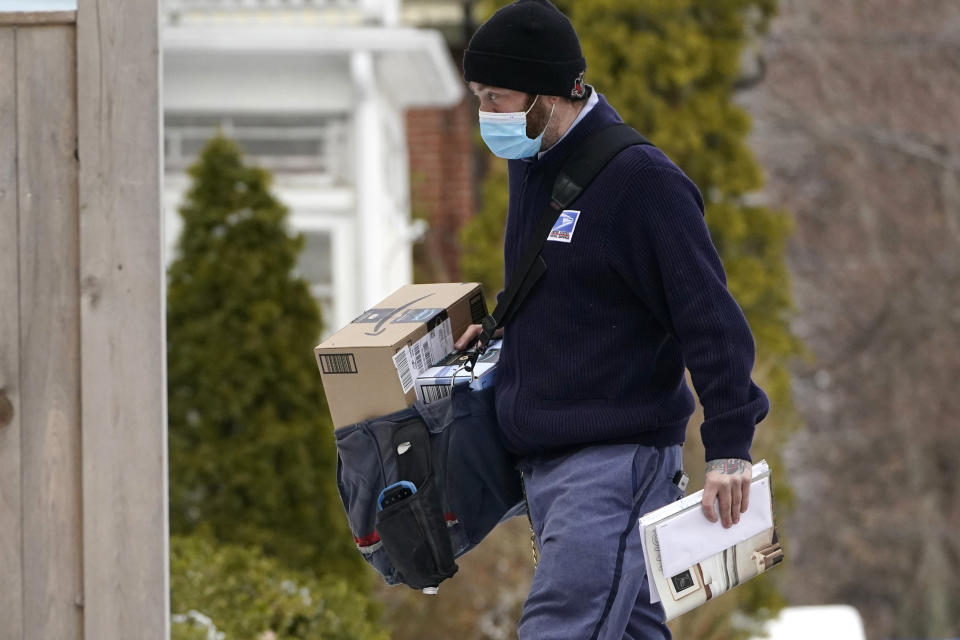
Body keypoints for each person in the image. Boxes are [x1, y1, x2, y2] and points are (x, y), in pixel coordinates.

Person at [452, 1, 771, 638]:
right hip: (550, 466)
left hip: (610, 467)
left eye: (498, 97)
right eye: (479, 97)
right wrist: (502, 335)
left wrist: (730, 448)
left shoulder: (642, 182)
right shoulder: (533, 163)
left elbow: (710, 320)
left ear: (550, 94)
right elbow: (578, 294)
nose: (487, 114)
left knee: (562, 628)